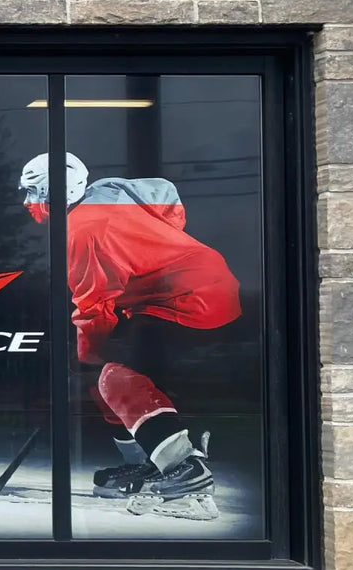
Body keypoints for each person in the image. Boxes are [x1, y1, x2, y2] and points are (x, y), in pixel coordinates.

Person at [18, 152, 241, 519]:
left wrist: (85, 359)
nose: (27, 203)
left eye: (33, 193)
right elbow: (167, 210)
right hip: (195, 291)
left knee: (112, 378)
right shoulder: (108, 195)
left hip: (190, 301)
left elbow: (93, 306)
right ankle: (153, 463)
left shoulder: (82, 229)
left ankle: (186, 471)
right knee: (104, 380)